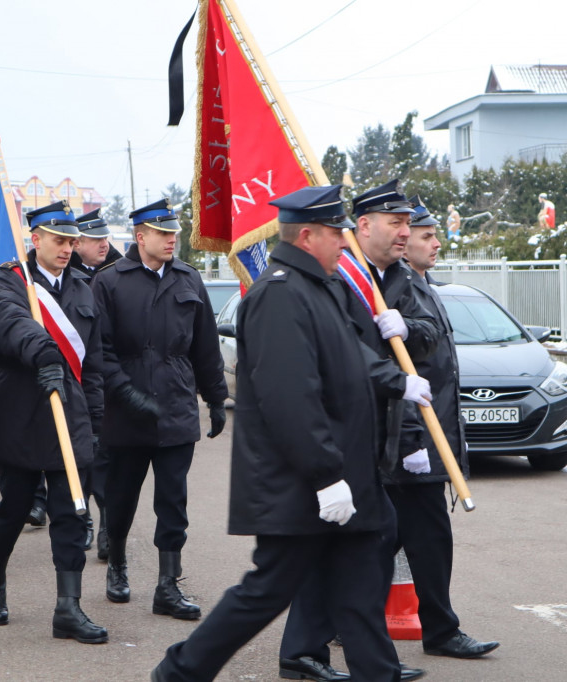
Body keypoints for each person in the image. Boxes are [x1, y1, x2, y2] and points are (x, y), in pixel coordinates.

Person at [152, 185, 403, 682]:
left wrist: (400, 380)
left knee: (357, 597)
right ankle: (180, 672)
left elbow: (350, 360)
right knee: (267, 590)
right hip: (303, 486)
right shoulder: (280, 294)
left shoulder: (323, 287)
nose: (346, 242)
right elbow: (290, 398)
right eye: (338, 233)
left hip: (344, 481)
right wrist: (326, 475)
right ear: (308, 236)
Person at [277, 179, 439, 682]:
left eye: (408, 225)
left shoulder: (398, 279)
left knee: (358, 543)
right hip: (337, 433)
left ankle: (336, 655)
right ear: (363, 226)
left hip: (374, 434)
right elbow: (340, 360)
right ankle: (323, 654)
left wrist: (407, 332)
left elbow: (431, 337)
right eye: (396, 223)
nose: (405, 233)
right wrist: (397, 380)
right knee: (353, 543)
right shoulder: (339, 279)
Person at [92, 197, 227, 620]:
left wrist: (215, 397)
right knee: (121, 499)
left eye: (175, 233)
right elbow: (99, 351)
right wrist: (124, 393)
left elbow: (205, 346)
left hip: (175, 408)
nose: (173, 239)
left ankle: (168, 585)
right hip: (126, 412)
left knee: (173, 502)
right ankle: (116, 563)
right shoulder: (109, 282)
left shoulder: (188, 279)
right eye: (164, 233)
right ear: (140, 236)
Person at [0, 200, 107, 644]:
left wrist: (95, 416)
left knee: (72, 510)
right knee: (14, 507)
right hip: (23, 413)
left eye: (72, 241)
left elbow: (94, 360)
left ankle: (68, 608)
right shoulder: (10, 282)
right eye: (59, 240)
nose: (68, 248)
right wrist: (45, 351)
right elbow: (9, 323)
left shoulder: (84, 289)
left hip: (71, 415)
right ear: (35, 239)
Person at [396, 196, 500, 660]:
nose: (436, 243)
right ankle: (437, 631)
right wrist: (412, 439)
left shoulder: (422, 284)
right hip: (410, 441)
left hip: (431, 440)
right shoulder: (394, 290)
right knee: (406, 540)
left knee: (413, 540)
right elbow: (393, 375)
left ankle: (435, 628)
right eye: (426, 236)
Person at [70, 207, 123, 560]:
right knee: (77, 458)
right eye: (94, 239)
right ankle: (82, 518)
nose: (103, 244)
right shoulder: (63, 275)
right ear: (77, 244)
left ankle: (106, 526)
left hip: (108, 378)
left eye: (105, 237)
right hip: (74, 379)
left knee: (107, 460)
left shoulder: (119, 272)